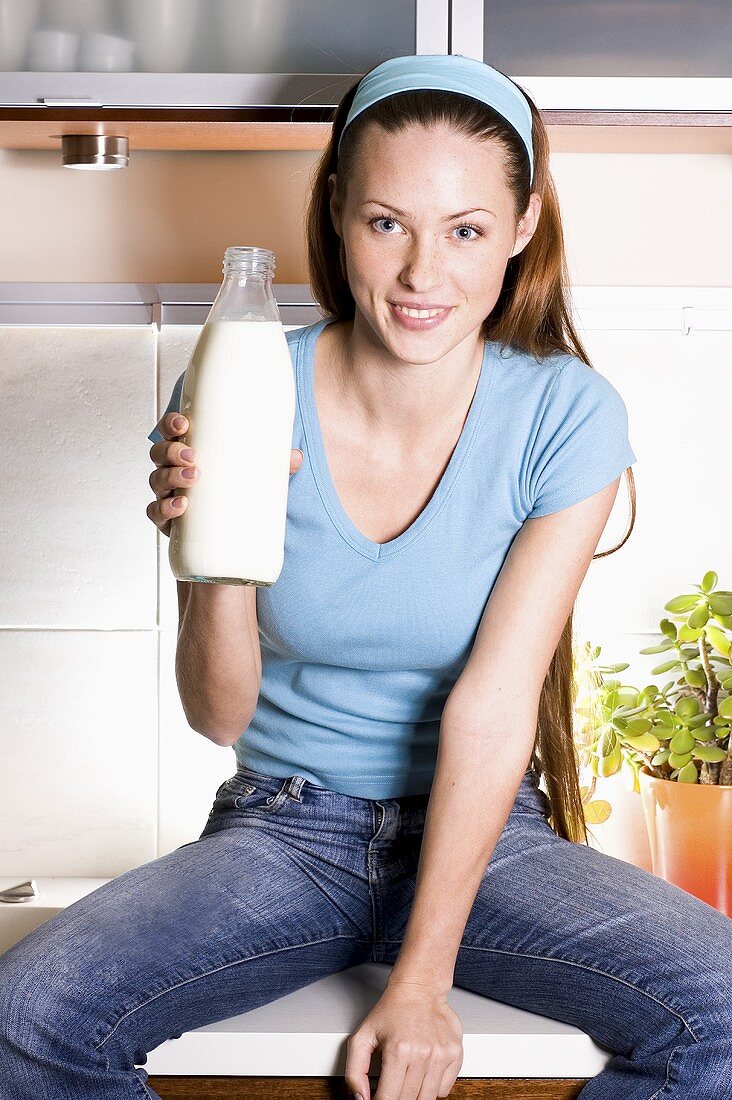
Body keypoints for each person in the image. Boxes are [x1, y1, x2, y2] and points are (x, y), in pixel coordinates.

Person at [0, 53, 730, 1100]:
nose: (423, 275)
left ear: (521, 229)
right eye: (387, 222)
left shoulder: (567, 415)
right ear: (339, 212)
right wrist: (208, 550)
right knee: (26, 1017)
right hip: (284, 829)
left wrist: (422, 980)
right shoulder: (243, 377)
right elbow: (220, 711)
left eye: (465, 229)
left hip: (488, 837)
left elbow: (492, 700)